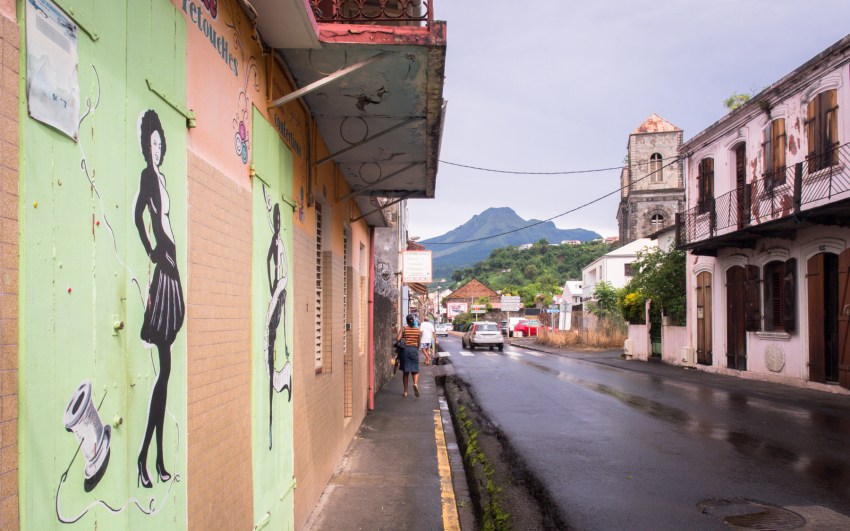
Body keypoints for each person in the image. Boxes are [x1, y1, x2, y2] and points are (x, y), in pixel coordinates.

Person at [135, 110, 184, 489]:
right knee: (164, 372)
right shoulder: (147, 178)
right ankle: (149, 458)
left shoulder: (164, 178)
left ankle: (152, 458)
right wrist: (151, 250)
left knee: (166, 373)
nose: (155, 149)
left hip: (172, 267)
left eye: (158, 143)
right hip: (163, 268)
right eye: (149, 143)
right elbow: (139, 217)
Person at [395, 314, 421, 398]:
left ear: (407, 321)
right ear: (413, 321)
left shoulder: (404, 329)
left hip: (405, 350)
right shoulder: (418, 330)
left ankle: (405, 392)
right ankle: (415, 384)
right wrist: (416, 347)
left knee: (406, 372)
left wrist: (401, 332)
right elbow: (419, 342)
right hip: (414, 350)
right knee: (415, 370)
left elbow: (398, 339)